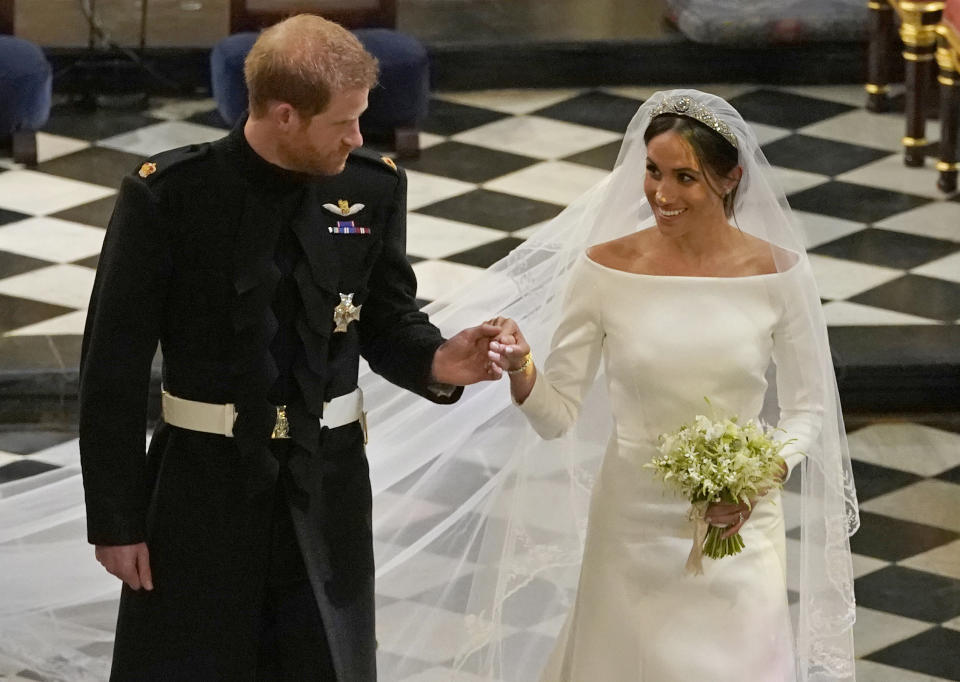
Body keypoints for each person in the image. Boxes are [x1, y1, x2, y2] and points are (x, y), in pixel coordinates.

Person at [360, 90, 859, 682]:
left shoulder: (778, 273)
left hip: (742, 523)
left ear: (730, 179)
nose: (662, 195)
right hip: (631, 529)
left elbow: (807, 408)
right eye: (652, 171)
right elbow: (557, 415)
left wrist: (759, 478)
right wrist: (521, 365)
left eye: (685, 177)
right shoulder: (603, 269)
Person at [75, 14, 504, 681]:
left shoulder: (371, 187)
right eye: (342, 122)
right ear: (284, 115)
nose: (358, 137)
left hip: (326, 489)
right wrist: (117, 518)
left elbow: (386, 319)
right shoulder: (170, 198)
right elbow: (112, 367)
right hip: (200, 490)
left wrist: (438, 359)